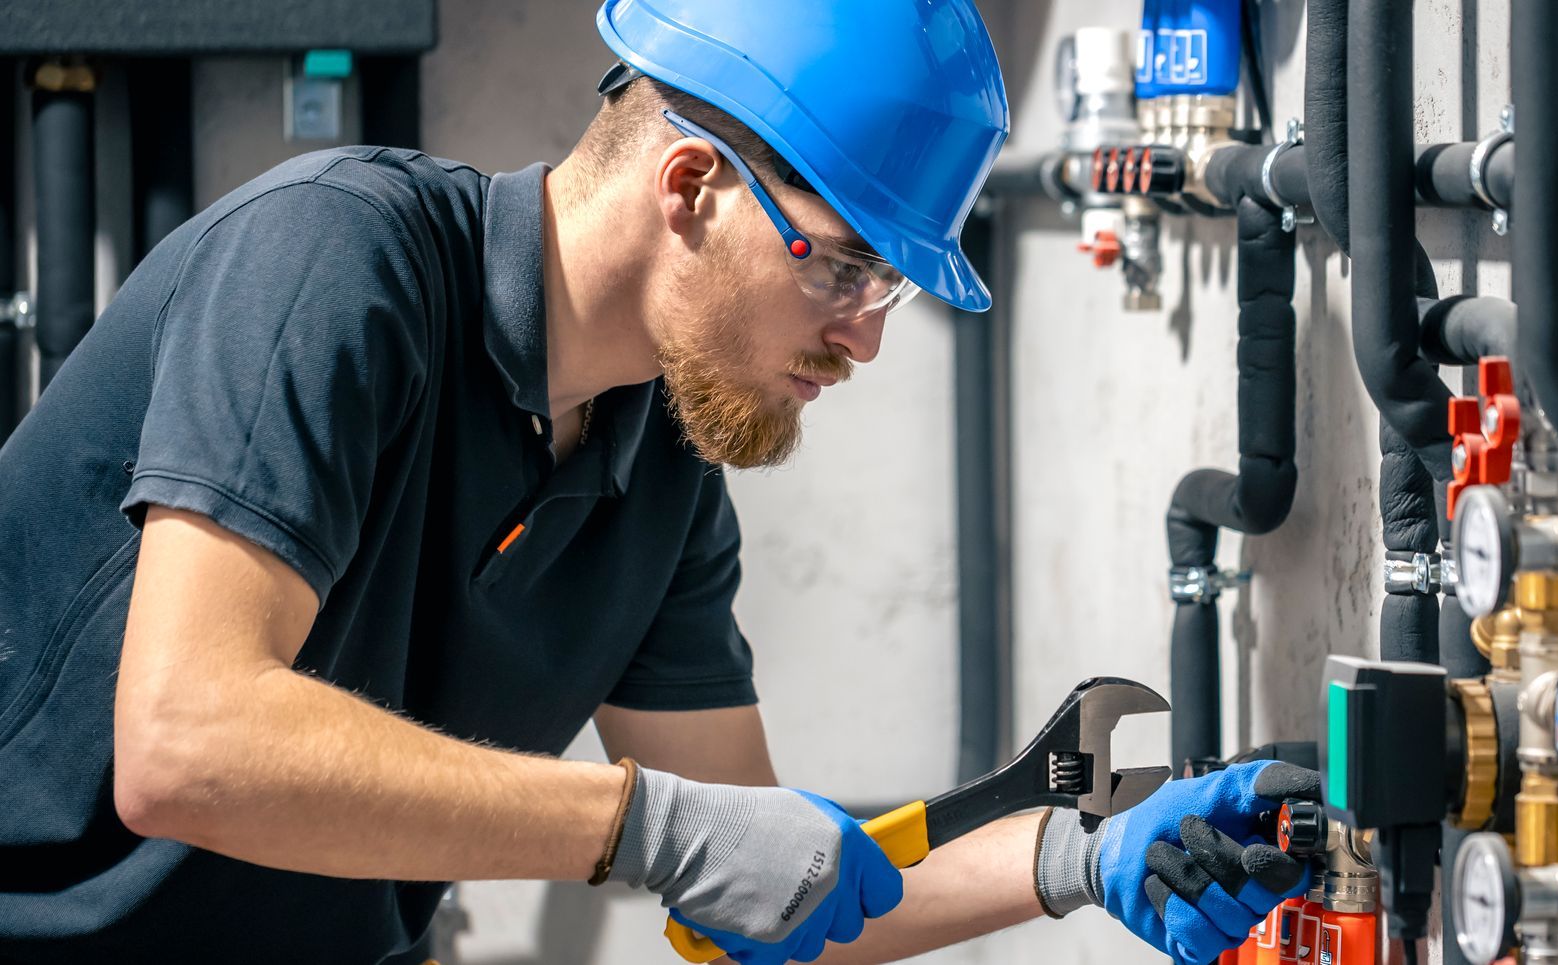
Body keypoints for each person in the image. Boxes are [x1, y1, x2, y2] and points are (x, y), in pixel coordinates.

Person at [0, 2, 1313, 962]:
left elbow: (760, 885)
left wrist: (1076, 856)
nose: (864, 338)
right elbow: (187, 742)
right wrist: (646, 824)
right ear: (691, 186)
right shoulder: (334, 260)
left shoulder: (662, 471)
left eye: (890, 289)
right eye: (846, 267)